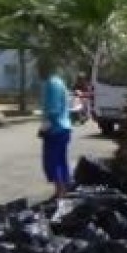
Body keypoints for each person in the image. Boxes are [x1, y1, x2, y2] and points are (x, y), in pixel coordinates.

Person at [39, 66, 73, 199]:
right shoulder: (60, 82)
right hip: (64, 127)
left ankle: (60, 191)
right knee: (61, 159)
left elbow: (53, 109)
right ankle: (64, 189)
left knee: (53, 161)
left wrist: (45, 126)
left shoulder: (51, 84)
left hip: (55, 128)